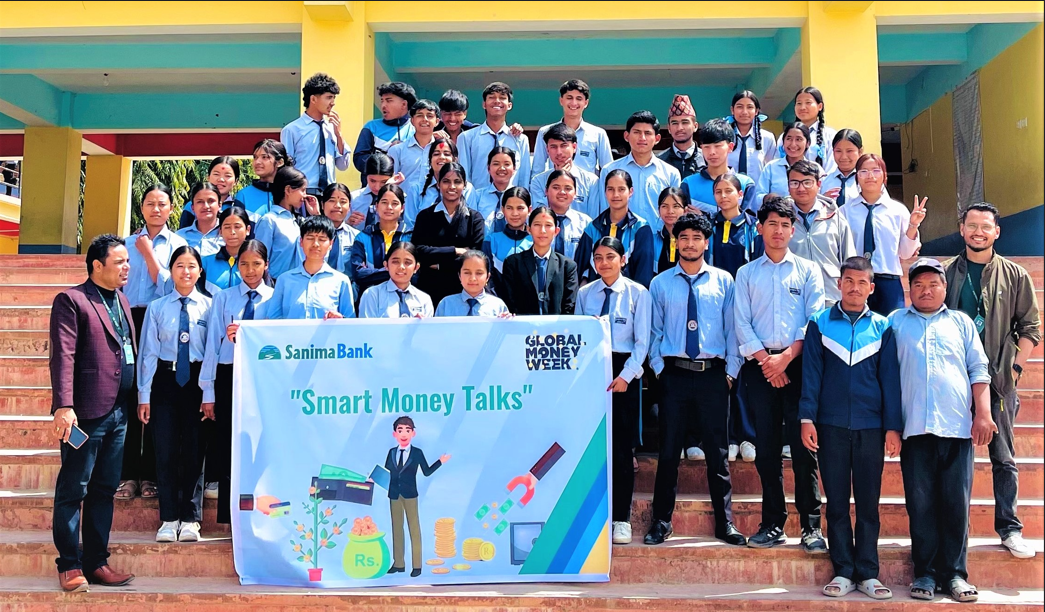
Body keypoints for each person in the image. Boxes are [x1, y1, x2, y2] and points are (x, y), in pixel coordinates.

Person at [891, 258, 996, 603]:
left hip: (957, 428)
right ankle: (924, 572)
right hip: (914, 429)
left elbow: (978, 368)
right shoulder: (895, 323)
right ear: (909, 288)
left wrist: (983, 414)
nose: (926, 290)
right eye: (918, 284)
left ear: (945, 288)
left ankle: (954, 574)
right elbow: (885, 376)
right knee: (920, 505)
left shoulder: (961, 323)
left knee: (956, 504)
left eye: (933, 284)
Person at [799, 256, 902, 600]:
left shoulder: (883, 327)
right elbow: (811, 375)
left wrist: (892, 427)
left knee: (869, 504)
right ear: (839, 284)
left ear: (871, 288)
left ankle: (868, 573)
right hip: (830, 426)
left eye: (861, 283)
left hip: (871, 427)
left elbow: (890, 381)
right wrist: (807, 418)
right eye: (849, 281)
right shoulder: (819, 323)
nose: (855, 288)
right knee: (837, 503)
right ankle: (843, 570)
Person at [944, 202, 1041, 559]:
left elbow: (1030, 328)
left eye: (986, 226)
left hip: (999, 381)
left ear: (997, 231)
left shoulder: (1015, 275)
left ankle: (1009, 529)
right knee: (955, 462)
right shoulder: (947, 273)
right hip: (955, 382)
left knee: (1004, 458)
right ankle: (955, 532)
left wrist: (1014, 369)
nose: (978, 232)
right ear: (962, 229)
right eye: (972, 225)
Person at [645, 214, 745, 547]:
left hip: (713, 375)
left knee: (717, 455)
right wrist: (659, 370)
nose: (690, 243)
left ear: (706, 242)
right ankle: (661, 521)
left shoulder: (724, 281)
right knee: (669, 453)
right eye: (683, 237)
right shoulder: (660, 283)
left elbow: (733, 330)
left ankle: (725, 522)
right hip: (673, 375)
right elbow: (654, 332)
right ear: (676, 242)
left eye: (696, 237)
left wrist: (730, 373)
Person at [734, 195, 826, 552]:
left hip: (798, 365)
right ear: (760, 228)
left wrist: (786, 358)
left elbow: (814, 320)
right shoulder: (746, 273)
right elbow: (742, 322)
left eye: (785, 225)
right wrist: (767, 362)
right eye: (772, 223)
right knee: (767, 450)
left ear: (793, 230)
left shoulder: (808, 270)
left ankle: (811, 527)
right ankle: (772, 523)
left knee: (804, 451)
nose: (778, 230)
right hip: (760, 368)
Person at [49, 234, 137, 592]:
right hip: (84, 414)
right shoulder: (72, 300)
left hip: (118, 413)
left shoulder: (122, 300)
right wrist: (64, 405)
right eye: (119, 262)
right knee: (74, 489)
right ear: (97, 266)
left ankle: (96, 562)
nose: (126, 267)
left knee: (104, 489)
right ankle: (69, 565)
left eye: (127, 261)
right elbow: (63, 356)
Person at [577, 237, 651, 545]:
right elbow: (579, 337)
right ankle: (592, 516)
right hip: (593, 373)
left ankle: (621, 518)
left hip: (624, 374)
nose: (604, 263)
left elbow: (643, 342)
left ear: (623, 259)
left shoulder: (638, 293)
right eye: (598, 257)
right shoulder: (584, 294)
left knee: (621, 451)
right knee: (591, 448)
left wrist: (626, 376)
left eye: (610, 256)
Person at [137, 245, 212, 544]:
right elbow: (148, 353)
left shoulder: (210, 306)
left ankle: (191, 519)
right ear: (171, 271)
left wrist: (209, 392)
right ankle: (168, 518)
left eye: (191, 266)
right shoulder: (157, 307)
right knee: (165, 450)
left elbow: (211, 352)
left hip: (197, 381)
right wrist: (144, 394)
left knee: (195, 450)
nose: (186, 271)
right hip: (165, 381)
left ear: (200, 271)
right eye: (180, 265)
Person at [120, 185, 186, 501]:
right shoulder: (124, 244)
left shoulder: (178, 245)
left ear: (171, 208)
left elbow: (172, 286)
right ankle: (128, 475)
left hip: (161, 318)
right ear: (142, 208)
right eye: (150, 203)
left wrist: (148, 254)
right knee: (130, 393)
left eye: (162, 204)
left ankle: (150, 475)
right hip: (129, 318)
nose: (156, 209)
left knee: (155, 398)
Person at [200, 240, 273, 525]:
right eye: (244, 264)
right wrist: (208, 390)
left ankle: (261, 512)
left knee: (260, 442)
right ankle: (231, 519)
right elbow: (212, 345)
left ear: (266, 265)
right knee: (229, 442)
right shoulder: (224, 298)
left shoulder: (274, 298)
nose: (250, 270)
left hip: (263, 377)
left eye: (256, 264)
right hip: (229, 374)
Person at [708, 173, 762, 463]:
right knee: (722, 373)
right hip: (715, 308)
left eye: (729, 191)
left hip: (747, 306)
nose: (723, 196)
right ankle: (727, 436)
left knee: (745, 375)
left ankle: (748, 436)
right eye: (718, 192)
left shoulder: (753, 227)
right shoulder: (709, 226)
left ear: (740, 195)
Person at [838, 154, 924, 315]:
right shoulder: (844, 211)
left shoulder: (898, 211)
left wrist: (913, 225)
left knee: (891, 326)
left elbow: (905, 253)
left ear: (884, 176)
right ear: (856, 176)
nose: (870, 176)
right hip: (855, 280)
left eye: (876, 171)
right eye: (864, 171)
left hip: (888, 281)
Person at [383, 416, 450, 578]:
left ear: (413, 433)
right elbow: (386, 473)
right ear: (394, 434)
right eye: (400, 430)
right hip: (394, 494)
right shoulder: (391, 452)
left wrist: (440, 462)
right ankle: (398, 563)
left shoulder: (417, 453)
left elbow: (426, 472)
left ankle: (417, 565)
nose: (404, 434)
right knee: (396, 529)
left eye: (407, 430)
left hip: (410, 495)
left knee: (414, 529)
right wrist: (374, 478)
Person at [592, 111, 680, 232]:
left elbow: (675, 213)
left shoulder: (671, 174)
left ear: (657, 138)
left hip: (657, 239)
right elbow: (604, 209)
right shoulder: (610, 170)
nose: (642, 138)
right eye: (637, 132)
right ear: (626, 136)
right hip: (621, 238)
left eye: (647, 133)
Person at [412, 162, 486, 305]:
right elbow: (419, 251)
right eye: (446, 181)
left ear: (464, 185)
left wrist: (439, 265)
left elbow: (474, 257)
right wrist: (455, 251)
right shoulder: (425, 216)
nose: (452, 186)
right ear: (438, 184)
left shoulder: (474, 219)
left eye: (457, 182)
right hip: (430, 288)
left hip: (463, 290)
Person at [787, 160, 857, 306]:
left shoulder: (835, 217)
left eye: (807, 182)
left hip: (830, 296)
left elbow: (849, 259)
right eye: (794, 183)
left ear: (818, 184)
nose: (801, 188)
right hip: (793, 298)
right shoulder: (783, 218)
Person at [261, 215, 356, 320]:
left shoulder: (341, 281)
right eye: (310, 238)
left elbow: (349, 321)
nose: (315, 244)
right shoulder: (284, 280)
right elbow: (273, 320)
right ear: (301, 241)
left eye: (322, 239)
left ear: (331, 244)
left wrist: (340, 318)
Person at [575, 169, 655, 287]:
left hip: (630, 296)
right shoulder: (592, 228)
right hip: (596, 295)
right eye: (610, 189)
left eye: (621, 189)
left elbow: (643, 274)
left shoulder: (641, 228)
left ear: (631, 191)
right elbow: (580, 269)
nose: (616, 195)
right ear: (605, 192)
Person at [280, 73, 350, 196]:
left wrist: (339, 135)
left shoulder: (332, 128)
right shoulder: (292, 130)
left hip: (329, 194)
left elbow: (343, 165)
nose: (333, 103)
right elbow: (286, 168)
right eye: (329, 97)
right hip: (303, 193)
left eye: (334, 98)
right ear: (313, 99)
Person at [501, 206, 578, 315]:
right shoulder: (513, 263)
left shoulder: (567, 266)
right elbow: (510, 302)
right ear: (529, 229)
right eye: (537, 225)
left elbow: (569, 306)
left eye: (548, 225)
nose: (542, 231)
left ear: (556, 231)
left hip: (558, 325)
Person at [457, 82, 531, 190]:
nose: (497, 101)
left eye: (502, 98)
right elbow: (464, 176)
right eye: (492, 97)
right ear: (484, 104)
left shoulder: (520, 139)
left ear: (509, 105)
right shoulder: (466, 138)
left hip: (511, 198)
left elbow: (524, 176)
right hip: (477, 198)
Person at [531, 79, 613, 175]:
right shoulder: (545, 132)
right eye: (569, 98)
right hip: (555, 184)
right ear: (561, 101)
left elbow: (608, 170)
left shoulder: (598, 134)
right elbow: (537, 170)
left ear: (586, 103)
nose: (574, 103)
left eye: (579, 98)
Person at [682, 118, 756, 216]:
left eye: (717, 146)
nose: (712, 152)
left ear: (730, 147)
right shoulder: (688, 184)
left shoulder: (746, 184)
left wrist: (703, 218)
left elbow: (748, 221)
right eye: (707, 147)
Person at [349, 184, 411, 298]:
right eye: (384, 202)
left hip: (404, 296)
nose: (389, 207)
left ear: (402, 208)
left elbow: (415, 274)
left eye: (395, 203)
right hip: (370, 297)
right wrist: (395, 272)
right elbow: (359, 274)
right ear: (377, 206)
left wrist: (376, 272)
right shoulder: (363, 237)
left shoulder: (410, 236)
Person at [529, 123, 600, 217]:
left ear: (574, 147)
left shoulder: (591, 181)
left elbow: (594, 218)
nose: (559, 152)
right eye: (553, 147)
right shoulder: (538, 181)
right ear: (547, 149)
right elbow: (539, 216)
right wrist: (558, 176)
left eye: (563, 146)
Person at [404, 138, 475, 231]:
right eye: (436, 154)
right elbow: (410, 227)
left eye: (447, 154)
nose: (441, 157)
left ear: (455, 159)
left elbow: (471, 222)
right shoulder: (416, 190)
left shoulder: (467, 188)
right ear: (430, 160)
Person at [253, 166, 312, 279]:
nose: (305, 196)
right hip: (275, 284)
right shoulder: (269, 221)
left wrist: (316, 215)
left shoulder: (297, 221)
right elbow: (258, 259)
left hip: (298, 283)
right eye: (302, 190)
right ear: (288, 190)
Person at [354, 82, 417, 183]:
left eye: (388, 101)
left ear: (404, 104)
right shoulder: (371, 127)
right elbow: (359, 160)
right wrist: (388, 155)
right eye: (382, 101)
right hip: (375, 191)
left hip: (406, 190)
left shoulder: (416, 129)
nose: (383, 105)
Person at [358, 241, 433, 318]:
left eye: (407, 262)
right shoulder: (372, 295)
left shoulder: (424, 299)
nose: (401, 267)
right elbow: (367, 325)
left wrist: (419, 324)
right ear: (386, 265)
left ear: (416, 268)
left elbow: (430, 326)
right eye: (395, 262)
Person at [482, 187, 533, 297]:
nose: (515, 213)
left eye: (520, 208)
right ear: (503, 209)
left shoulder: (535, 241)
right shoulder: (491, 241)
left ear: (529, 210)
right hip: (497, 303)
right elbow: (486, 278)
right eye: (509, 208)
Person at [756, 121, 821, 206]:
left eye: (798, 139)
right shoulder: (771, 167)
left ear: (808, 143)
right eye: (789, 139)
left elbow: (821, 196)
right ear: (783, 142)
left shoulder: (816, 168)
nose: (793, 144)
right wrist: (768, 198)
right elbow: (758, 197)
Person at [777, 87, 836, 174]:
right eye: (799, 103)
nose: (802, 107)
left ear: (820, 106)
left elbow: (832, 168)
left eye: (808, 103)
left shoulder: (830, 135)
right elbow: (777, 165)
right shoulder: (785, 136)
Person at [435, 250, 509, 316]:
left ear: (487, 277)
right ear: (459, 275)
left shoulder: (498, 305)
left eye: (479, 273)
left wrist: (508, 321)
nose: (473, 278)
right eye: (467, 273)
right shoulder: (446, 304)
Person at [234, 139, 293, 220]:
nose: (257, 162)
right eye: (255, 157)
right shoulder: (243, 195)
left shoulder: (290, 193)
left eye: (264, 157)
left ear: (280, 162)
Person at [727, 90, 776, 185]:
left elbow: (771, 169)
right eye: (740, 107)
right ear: (732, 110)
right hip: (729, 191)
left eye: (750, 107)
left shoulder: (767, 138)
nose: (745, 112)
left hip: (758, 192)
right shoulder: (724, 137)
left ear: (756, 111)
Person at [388, 99, 439, 189]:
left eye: (429, 116)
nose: (425, 119)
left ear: (437, 121)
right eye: (420, 115)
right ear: (412, 121)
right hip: (405, 198)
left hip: (433, 198)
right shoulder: (397, 151)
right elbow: (389, 183)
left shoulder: (443, 151)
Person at [544, 169, 592, 261]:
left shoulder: (585, 223)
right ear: (546, 191)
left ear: (575, 193)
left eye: (568, 188)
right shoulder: (536, 220)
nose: (562, 192)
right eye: (556, 187)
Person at [178, 157, 239, 229]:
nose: (221, 179)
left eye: (227, 176)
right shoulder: (192, 206)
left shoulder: (238, 206)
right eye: (216, 174)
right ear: (208, 177)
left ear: (236, 181)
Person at [201, 206, 251, 292]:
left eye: (237, 227)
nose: (232, 232)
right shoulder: (206, 263)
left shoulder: (255, 263)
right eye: (227, 227)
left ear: (248, 230)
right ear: (220, 231)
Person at [657, 94, 705, 180]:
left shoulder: (706, 159)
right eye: (675, 123)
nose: (680, 128)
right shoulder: (659, 161)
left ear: (695, 126)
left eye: (685, 122)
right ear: (669, 128)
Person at [468, 147, 517, 224]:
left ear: (514, 168)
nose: (502, 168)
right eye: (496, 164)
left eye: (507, 164)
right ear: (488, 168)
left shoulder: (521, 197)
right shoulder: (477, 196)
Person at [349, 152, 396, 231]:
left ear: (393, 176)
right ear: (366, 176)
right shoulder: (353, 198)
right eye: (372, 181)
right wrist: (348, 223)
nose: (377, 187)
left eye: (384, 182)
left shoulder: (401, 200)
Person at [176, 182, 225, 258]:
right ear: (192, 207)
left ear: (219, 205)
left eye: (211, 201)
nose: (206, 206)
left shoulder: (228, 235)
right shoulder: (179, 237)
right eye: (200, 202)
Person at [321, 183, 360, 274]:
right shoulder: (312, 234)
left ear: (349, 207)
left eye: (343, 202)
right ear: (322, 205)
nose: (337, 206)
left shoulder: (356, 237)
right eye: (332, 201)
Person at [820, 129, 863, 206]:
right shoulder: (823, 181)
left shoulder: (868, 180)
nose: (844, 157)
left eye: (849, 151)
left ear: (860, 151)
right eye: (838, 151)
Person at [651, 187, 685, 276]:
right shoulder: (652, 240)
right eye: (664, 206)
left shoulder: (691, 239)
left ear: (685, 210)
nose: (670, 211)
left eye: (676, 206)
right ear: (659, 210)